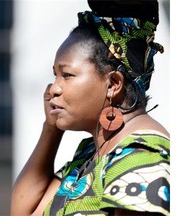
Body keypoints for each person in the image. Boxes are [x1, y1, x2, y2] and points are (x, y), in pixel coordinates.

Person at [11, 0, 170, 215]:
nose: (53, 89)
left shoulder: (141, 154)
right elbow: (23, 212)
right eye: (54, 76)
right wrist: (51, 128)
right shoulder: (90, 155)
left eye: (66, 75)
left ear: (113, 84)